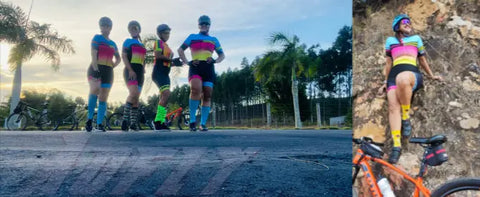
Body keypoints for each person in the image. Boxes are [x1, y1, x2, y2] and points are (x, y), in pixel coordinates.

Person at [379, 14, 442, 163]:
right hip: (393, 76)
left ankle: (405, 116)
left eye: (409, 22)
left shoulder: (416, 39)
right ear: (397, 26)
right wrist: (385, 82)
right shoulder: (390, 41)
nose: (408, 24)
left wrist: (432, 76)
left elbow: (422, 59)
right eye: (405, 22)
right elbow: (389, 64)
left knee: (403, 78)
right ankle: (396, 146)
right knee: (393, 106)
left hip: (412, 74)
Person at [178, 15, 225, 132]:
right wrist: (187, 62)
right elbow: (180, 50)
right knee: (195, 89)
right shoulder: (192, 37)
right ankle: (192, 121)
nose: (204, 25)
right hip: (196, 67)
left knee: (207, 95)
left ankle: (202, 124)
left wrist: (215, 60)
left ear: (209, 25)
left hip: (209, 68)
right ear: (198, 25)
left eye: (206, 23)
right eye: (201, 23)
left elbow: (222, 55)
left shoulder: (214, 39)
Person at [86, 16, 121, 132]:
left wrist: (112, 67)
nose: (104, 28)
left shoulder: (113, 43)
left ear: (110, 28)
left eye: (107, 26)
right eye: (102, 25)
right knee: (95, 90)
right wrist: (96, 69)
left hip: (108, 71)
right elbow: (93, 54)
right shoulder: (97, 38)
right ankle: (89, 120)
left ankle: (99, 124)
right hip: (95, 68)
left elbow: (118, 58)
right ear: (100, 27)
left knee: (104, 96)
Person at [120, 20, 147, 131]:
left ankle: (133, 124)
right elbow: (124, 56)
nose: (133, 30)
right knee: (133, 93)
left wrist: (144, 68)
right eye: (131, 29)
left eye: (135, 28)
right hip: (130, 71)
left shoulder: (142, 45)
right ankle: (125, 120)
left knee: (136, 98)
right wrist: (130, 70)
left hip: (140, 73)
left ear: (139, 30)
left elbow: (144, 59)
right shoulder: (127, 41)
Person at [152, 24, 174, 131]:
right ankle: (158, 121)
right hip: (159, 72)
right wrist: (171, 60)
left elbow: (168, 61)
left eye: (168, 33)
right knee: (166, 93)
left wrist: (175, 63)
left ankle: (160, 121)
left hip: (165, 73)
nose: (167, 35)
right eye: (165, 33)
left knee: (164, 97)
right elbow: (158, 55)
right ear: (160, 34)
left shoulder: (167, 46)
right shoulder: (158, 42)